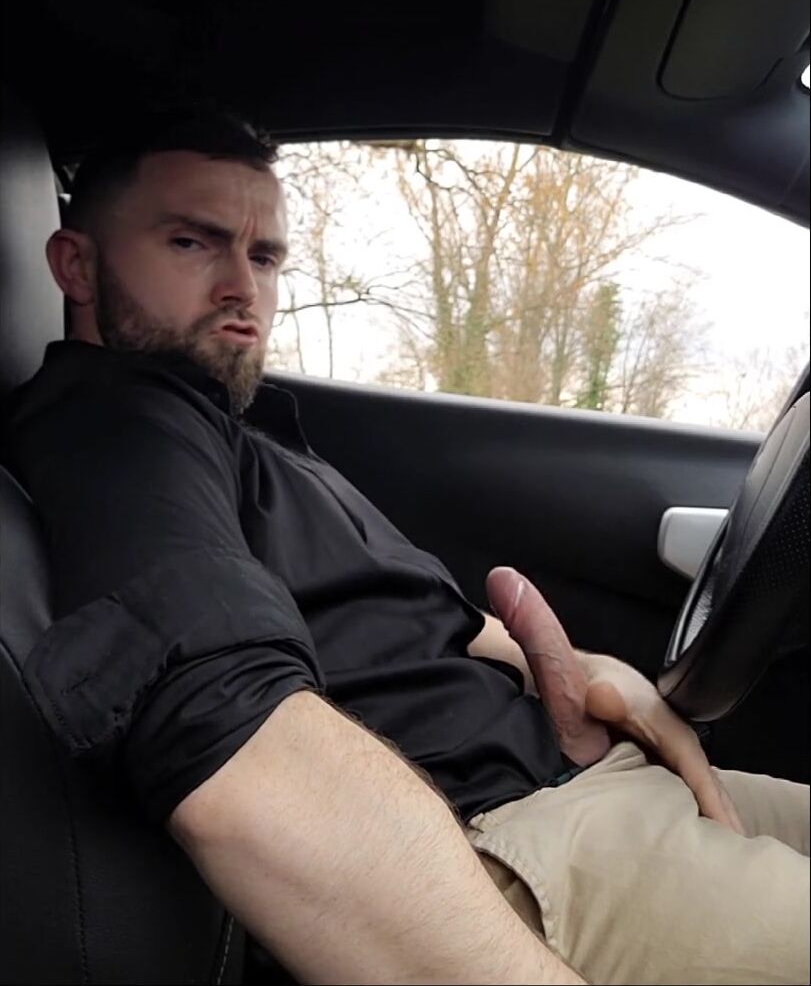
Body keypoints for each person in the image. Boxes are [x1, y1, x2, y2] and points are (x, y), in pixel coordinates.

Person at [4, 113, 808, 986]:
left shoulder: (245, 438)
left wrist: (591, 676)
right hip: (515, 848)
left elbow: (452, 629)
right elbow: (224, 740)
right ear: (74, 265)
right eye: (192, 242)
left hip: (588, 784)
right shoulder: (121, 426)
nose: (242, 286)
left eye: (264, 256)